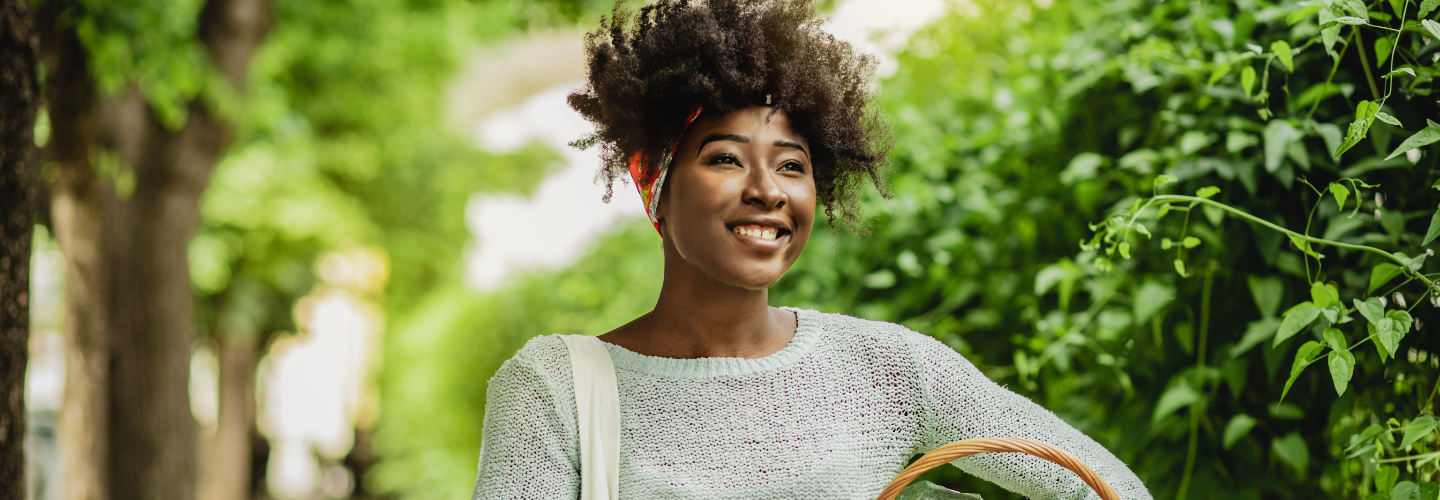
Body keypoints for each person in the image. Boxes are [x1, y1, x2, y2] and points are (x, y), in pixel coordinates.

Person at [473, 0, 1152, 498]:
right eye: (725, 158)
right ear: (658, 185)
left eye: (793, 165)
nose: (768, 189)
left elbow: (1103, 487)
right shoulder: (554, 390)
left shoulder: (891, 368)